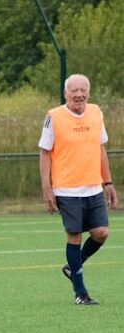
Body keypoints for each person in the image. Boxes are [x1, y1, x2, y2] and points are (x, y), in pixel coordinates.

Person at [39, 73, 116, 305]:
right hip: (67, 189)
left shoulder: (96, 112)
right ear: (65, 94)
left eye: (83, 90)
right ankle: (80, 293)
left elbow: (101, 149)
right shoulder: (54, 117)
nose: (79, 94)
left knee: (101, 232)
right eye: (74, 90)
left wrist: (109, 183)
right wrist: (47, 188)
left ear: (89, 93)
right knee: (74, 236)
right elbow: (44, 152)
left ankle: (73, 266)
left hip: (93, 187)